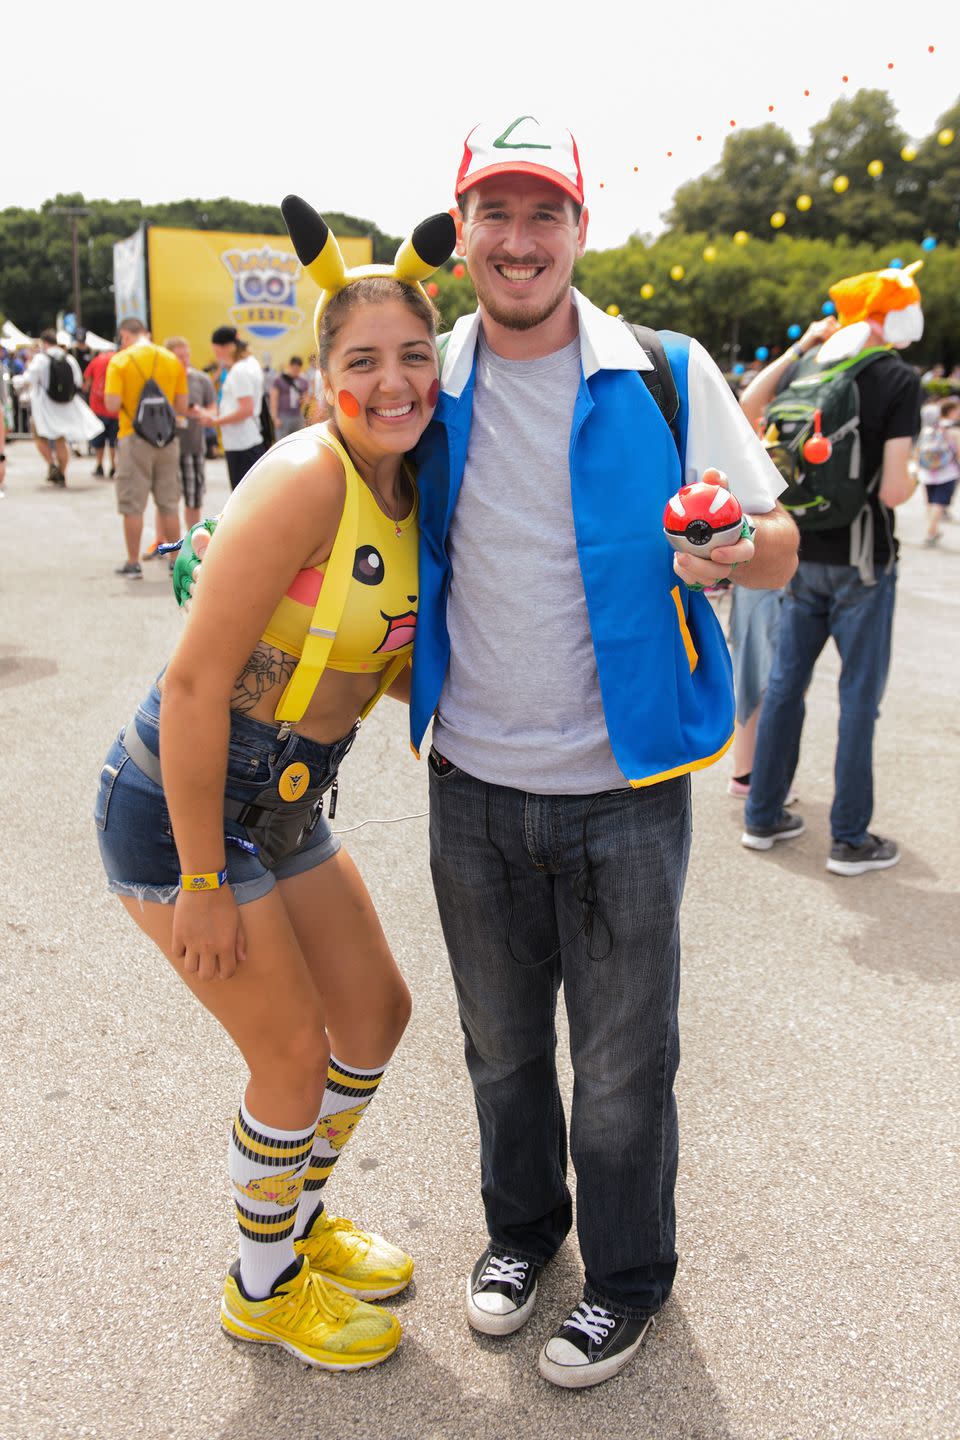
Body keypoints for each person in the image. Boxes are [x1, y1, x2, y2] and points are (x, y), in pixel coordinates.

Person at [402, 117, 797, 1389]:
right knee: (501, 1046)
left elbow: (781, 537)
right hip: (469, 783)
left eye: (545, 213)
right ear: (460, 227)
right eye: (495, 213)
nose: (520, 241)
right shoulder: (427, 382)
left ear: (584, 224)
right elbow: (329, 498)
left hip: (623, 796)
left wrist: (734, 550)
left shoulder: (665, 372)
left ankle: (626, 1277)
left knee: (625, 1064)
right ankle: (524, 1235)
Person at [95, 206, 455, 1369]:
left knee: (378, 1016)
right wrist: (201, 875)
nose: (392, 380)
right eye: (362, 360)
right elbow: (197, 684)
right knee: (292, 1051)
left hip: (291, 799)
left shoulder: (411, 493)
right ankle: (264, 1284)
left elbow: (369, 660)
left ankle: (293, 1216)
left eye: (413, 355)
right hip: (181, 804)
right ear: (323, 378)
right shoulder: (308, 477)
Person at [740, 262, 922, 875]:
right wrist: (918, 475)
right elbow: (896, 491)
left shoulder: (812, 366)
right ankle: (849, 838)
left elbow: (748, 404)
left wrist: (802, 343)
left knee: (786, 686)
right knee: (858, 699)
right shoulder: (897, 378)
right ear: (892, 316)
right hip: (863, 562)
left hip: (801, 554)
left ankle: (762, 815)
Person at [103, 319, 188, 578]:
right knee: (169, 503)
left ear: (125, 335)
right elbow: (182, 407)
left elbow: (111, 403)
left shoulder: (120, 361)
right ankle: (176, 561)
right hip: (167, 439)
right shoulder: (171, 360)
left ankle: (133, 562)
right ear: (147, 334)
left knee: (133, 504)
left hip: (133, 438)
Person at [24, 328, 101, 485]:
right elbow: (78, 382)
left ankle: (52, 464)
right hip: (65, 406)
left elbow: (28, 379)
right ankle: (62, 472)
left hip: (44, 407)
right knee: (61, 440)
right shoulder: (69, 358)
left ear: (44, 343)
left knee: (39, 437)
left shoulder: (41, 359)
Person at [195, 326, 264, 491]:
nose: (217, 356)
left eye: (216, 351)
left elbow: (246, 409)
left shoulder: (239, 371)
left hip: (241, 443)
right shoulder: (251, 363)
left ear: (226, 347)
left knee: (244, 498)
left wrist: (216, 421)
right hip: (248, 439)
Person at [163, 336, 216, 532]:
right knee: (166, 501)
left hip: (193, 446)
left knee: (193, 499)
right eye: (179, 356)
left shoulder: (200, 379)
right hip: (166, 447)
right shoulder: (162, 380)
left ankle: (191, 540)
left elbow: (213, 409)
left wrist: (202, 413)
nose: (185, 359)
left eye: (187, 355)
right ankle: (164, 544)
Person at [916, 396, 960, 546]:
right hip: (947, 473)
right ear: (951, 411)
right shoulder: (953, 430)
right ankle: (930, 533)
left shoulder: (928, 429)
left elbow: (918, 449)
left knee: (930, 502)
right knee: (939, 503)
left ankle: (933, 530)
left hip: (927, 472)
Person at [83, 346, 119, 478]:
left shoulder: (96, 361)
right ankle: (114, 466)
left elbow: (87, 382)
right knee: (113, 440)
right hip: (115, 408)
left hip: (98, 407)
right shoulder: (119, 360)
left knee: (99, 439)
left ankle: (99, 465)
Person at [270, 356, 309, 440]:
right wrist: (275, 418)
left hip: (297, 416)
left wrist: (304, 401)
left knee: (299, 441)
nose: (296, 371)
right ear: (289, 366)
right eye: (294, 369)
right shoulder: (279, 380)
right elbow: (273, 399)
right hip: (283, 417)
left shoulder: (303, 381)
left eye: (298, 370)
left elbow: (306, 399)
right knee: (282, 442)